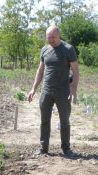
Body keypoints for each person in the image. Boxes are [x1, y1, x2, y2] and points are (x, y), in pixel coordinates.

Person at [28, 25, 79, 157]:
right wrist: (33, 88)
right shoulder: (44, 50)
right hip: (47, 91)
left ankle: (66, 149)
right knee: (44, 120)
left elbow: (75, 71)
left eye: (53, 37)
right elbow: (40, 71)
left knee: (64, 121)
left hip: (63, 92)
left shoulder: (69, 49)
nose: (50, 40)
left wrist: (73, 90)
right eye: (48, 37)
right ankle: (43, 148)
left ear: (59, 35)